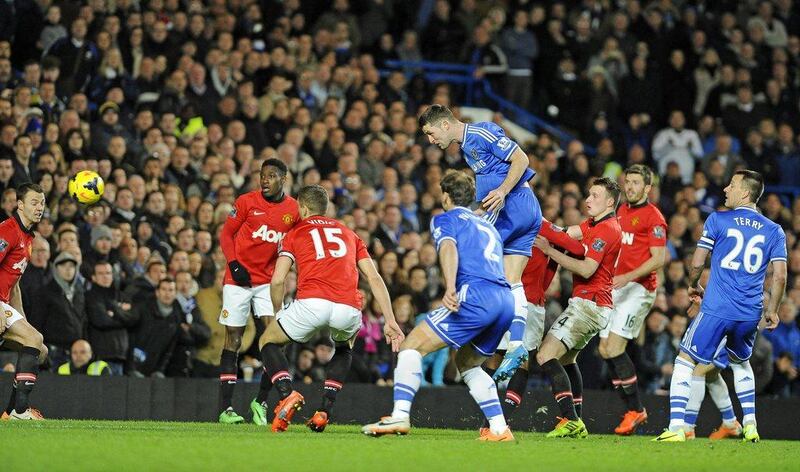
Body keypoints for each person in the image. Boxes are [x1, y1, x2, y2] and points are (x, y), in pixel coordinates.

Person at [363, 170, 515, 441]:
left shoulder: (445, 219)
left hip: (475, 295)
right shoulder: (487, 225)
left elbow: (448, 248)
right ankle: (499, 429)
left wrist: (450, 286)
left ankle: (399, 415)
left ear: (445, 196)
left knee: (411, 346)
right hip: (505, 300)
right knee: (468, 363)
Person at [654, 170, 787, 442]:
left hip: (716, 309)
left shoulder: (718, 219)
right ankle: (749, 423)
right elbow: (780, 275)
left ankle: (679, 427)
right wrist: (772, 310)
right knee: (740, 364)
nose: (726, 188)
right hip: (749, 313)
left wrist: (693, 285)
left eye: (732, 185)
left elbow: (697, 261)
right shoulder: (774, 230)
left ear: (745, 193)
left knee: (685, 360)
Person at [258, 184, 402, 433]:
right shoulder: (349, 233)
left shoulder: (294, 233)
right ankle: (324, 410)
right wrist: (390, 319)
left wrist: (278, 312)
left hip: (312, 302)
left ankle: (286, 393)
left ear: (302, 207)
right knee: (344, 349)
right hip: (348, 307)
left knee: (267, 342)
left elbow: (278, 279)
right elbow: (375, 278)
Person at [418, 105, 541, 380]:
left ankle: (467, 319)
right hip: (521, 208)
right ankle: (517, 345)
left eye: (430, 132)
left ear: (446, 125)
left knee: (468, 251)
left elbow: (521, 158)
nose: (430, 140)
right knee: (512, 280)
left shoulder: (481, 133)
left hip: (514, 205)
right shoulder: (466, 146)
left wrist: (502, 191)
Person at [533, 177, 622, 438]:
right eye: (588, 194)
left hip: (589, 304)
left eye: (594, 196)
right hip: (597, 306)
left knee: (545, 355)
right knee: (568, 359)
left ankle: (570, 420)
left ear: (609, 202)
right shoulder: (594, 224)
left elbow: (586, 267)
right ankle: (577, 422)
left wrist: (549, 251)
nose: (587, 199)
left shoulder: (607, 230)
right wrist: (538, 222)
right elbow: (566, 232)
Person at [217, 158, 299, 425]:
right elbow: (226, 235)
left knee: (274, 339)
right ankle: (225, 409)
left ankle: (261, 401)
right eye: (262, 175)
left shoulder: (293, 210)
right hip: (238, 279)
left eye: (272, 175)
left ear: (283, 179)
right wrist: (233, 264)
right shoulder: (245, 202)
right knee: (234, 340)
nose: (265, 180)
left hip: (268, 281)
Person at [485, 218, 586, 424]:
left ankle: (489, 422)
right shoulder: (540, 224)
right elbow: (578, 248)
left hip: (500, 298)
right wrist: (554, 249)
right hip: (528, 302)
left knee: (494, 360)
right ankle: (497, 424)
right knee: (522, 364)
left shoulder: (500, 222)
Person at [599, 165, 667, 435]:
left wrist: (627, 277)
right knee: (604, 350)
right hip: (616, 285)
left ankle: (636, 409)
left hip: (638, 288)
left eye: (636, 183)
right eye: (628, 182)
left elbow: (658, 259)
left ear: (647, 188)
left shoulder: (654, 218)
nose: (629, 187)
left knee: (614, 348)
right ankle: (633, 410)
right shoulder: (621, 210)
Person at [0, 183, 48, 420]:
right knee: (34, 341)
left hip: (5, 304)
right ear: (20, 205)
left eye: (42, 203)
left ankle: (9, 413)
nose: (40, 208)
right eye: (34, 202)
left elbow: (15, 284)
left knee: (39, 349)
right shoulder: (8, 230)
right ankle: (21, 410)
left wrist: (24, 323)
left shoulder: (28, 237)